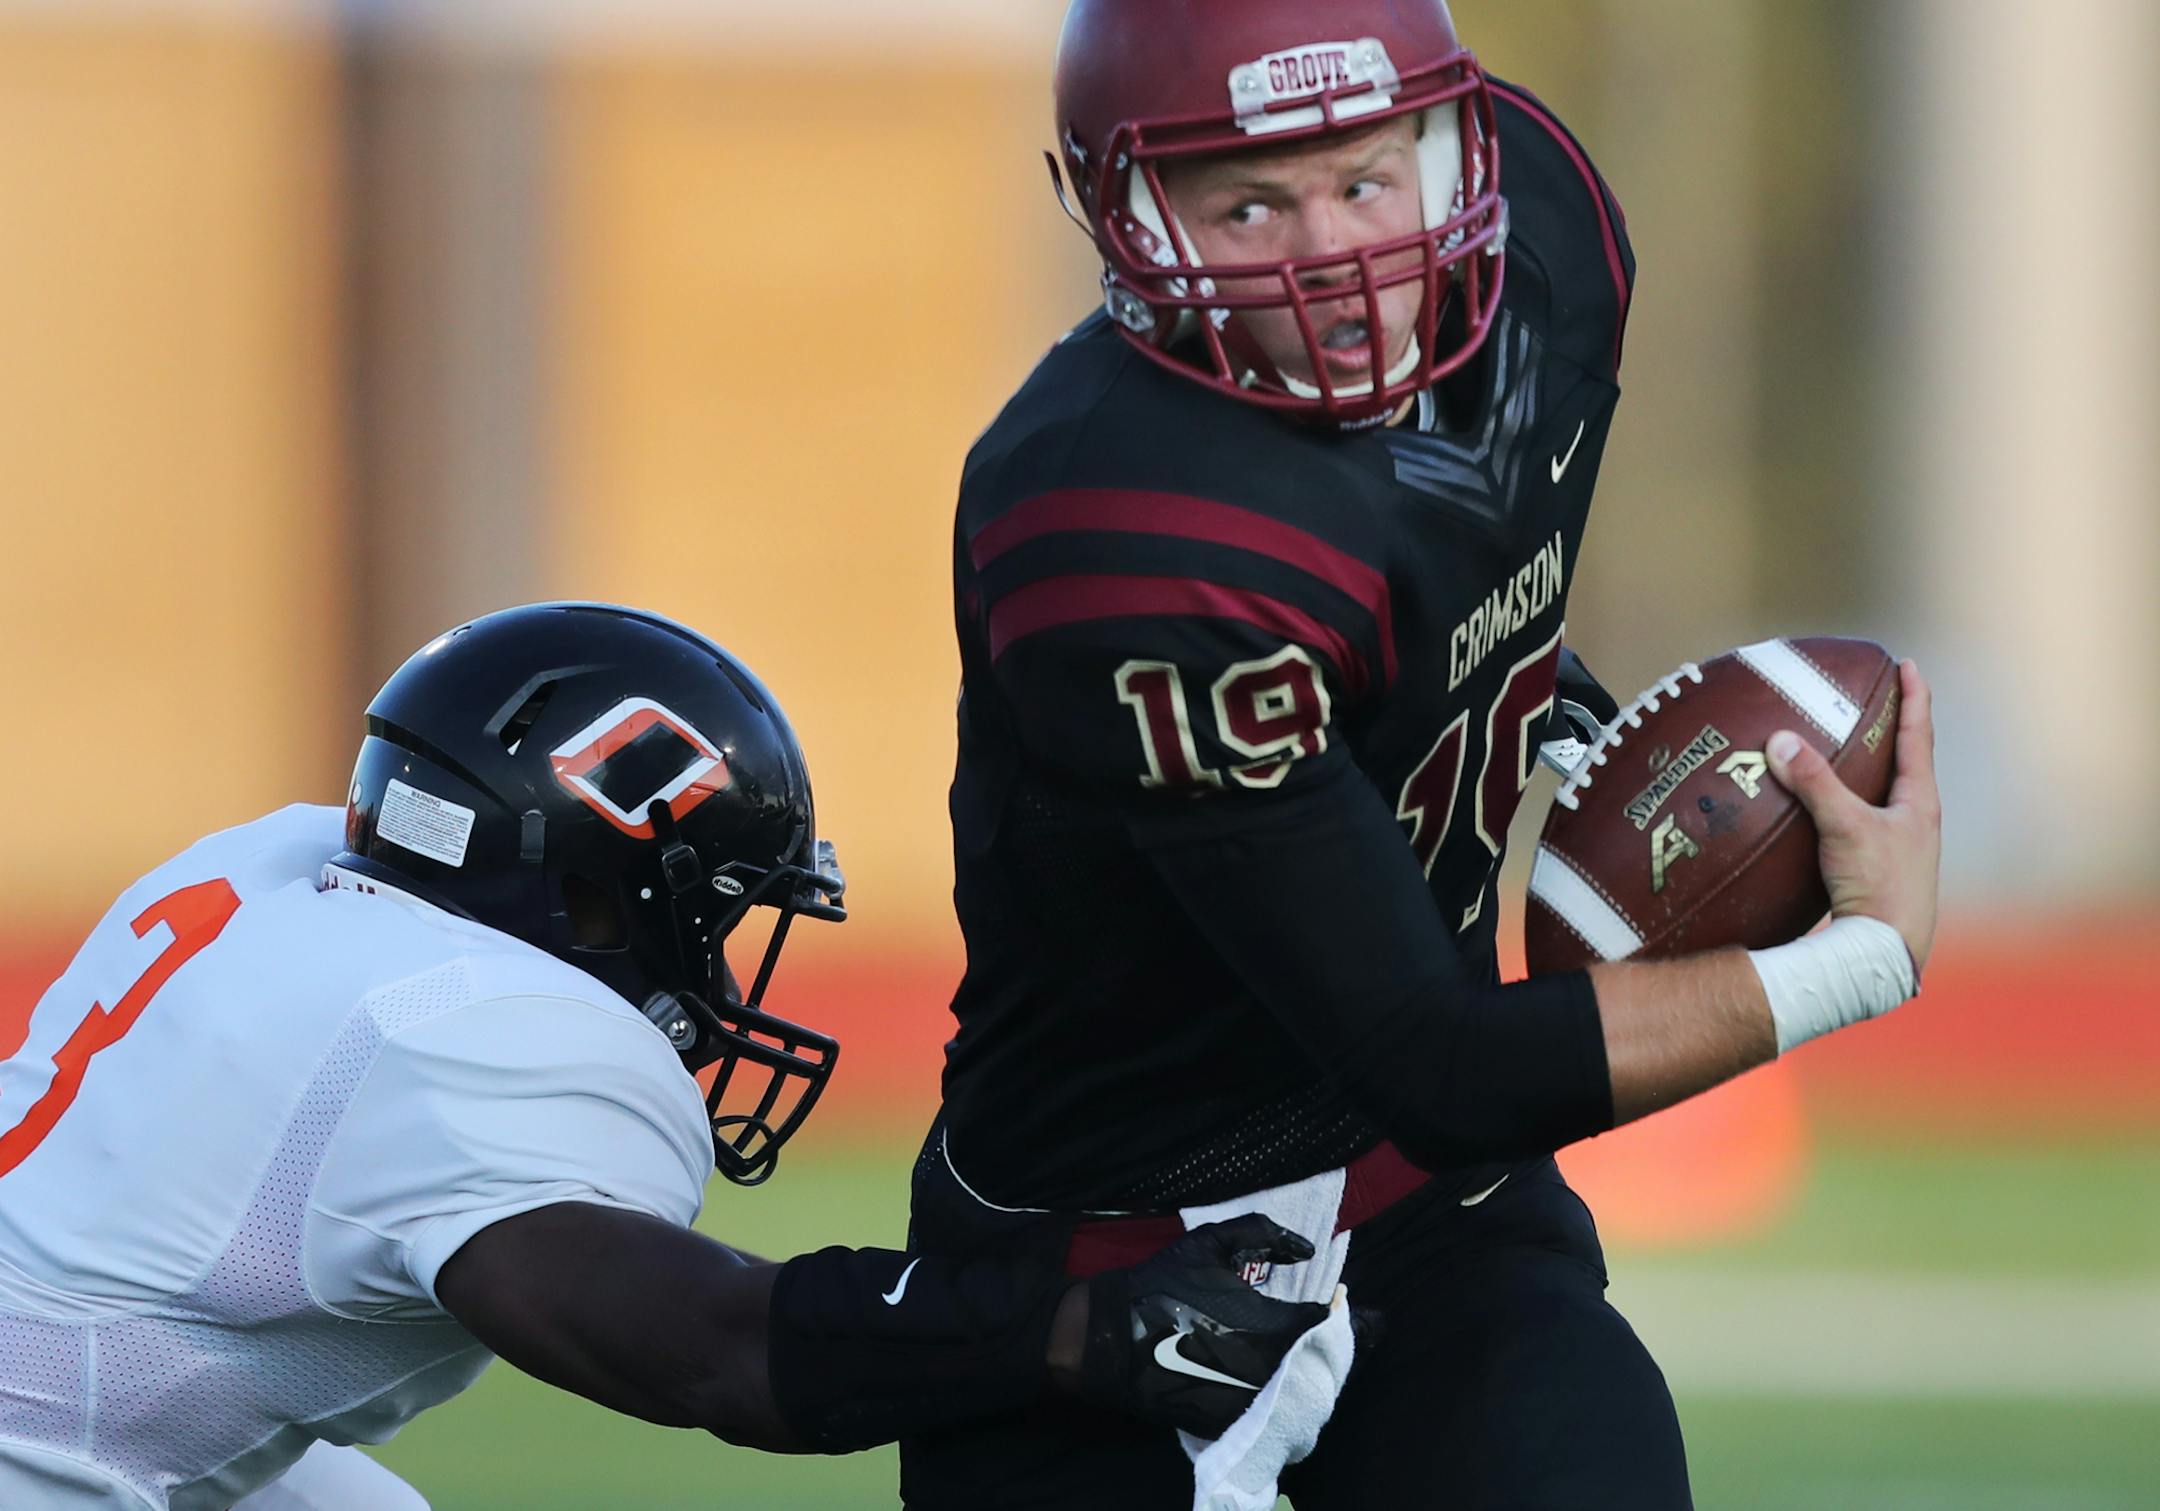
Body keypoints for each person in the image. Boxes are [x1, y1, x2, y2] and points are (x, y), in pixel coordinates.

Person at [904, 1, 1944, 1507]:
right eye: (1249, 203)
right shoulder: (1120, 528)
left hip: (1425, 1210)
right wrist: (1859, 958)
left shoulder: (1548, 239)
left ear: (1457, 150)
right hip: (1102, 1273)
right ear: (1130, 221)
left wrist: (1542, 695)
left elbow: (1431, 560)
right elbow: (1439, 1064)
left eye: (1365, 177)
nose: (1334, 253)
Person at [0, 601, 1333, 1509]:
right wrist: (1068, 1325)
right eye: (719, 910)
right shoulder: (467, 1028)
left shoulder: (276, 869)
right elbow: (707, 1351)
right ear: (601, 886)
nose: (720, 959)